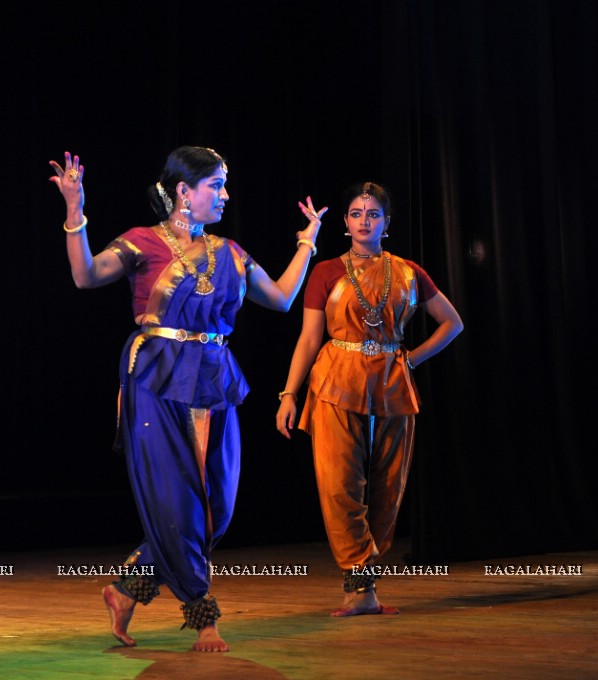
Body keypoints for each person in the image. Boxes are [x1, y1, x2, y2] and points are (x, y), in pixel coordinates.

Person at [48, 147, 326, 652]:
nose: (225, 195)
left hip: (214, 376)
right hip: (155, 376)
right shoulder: (141, 242)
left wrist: (307, 244)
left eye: (224, 185)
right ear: (183, 191)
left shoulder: (231, 252)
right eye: (216, 185)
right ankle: (203, 615)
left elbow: (283, 298)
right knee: (177, 500)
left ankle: (127, 589)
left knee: (217, 504)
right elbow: (85, 276)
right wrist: (75, 210)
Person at [275, 181, 463, 616]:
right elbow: (308, 340)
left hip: (393, 386)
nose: (364, 220)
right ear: (344, 223)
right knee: (340, 487)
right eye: (357, 213)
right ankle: (359, 587)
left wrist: (410, 360)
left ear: (387, 223)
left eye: (373, 213)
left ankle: (366, 589)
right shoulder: (325, 271)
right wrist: (289, 393)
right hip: (334, 384)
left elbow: (451, 323)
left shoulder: (409, 271)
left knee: (387, 489)